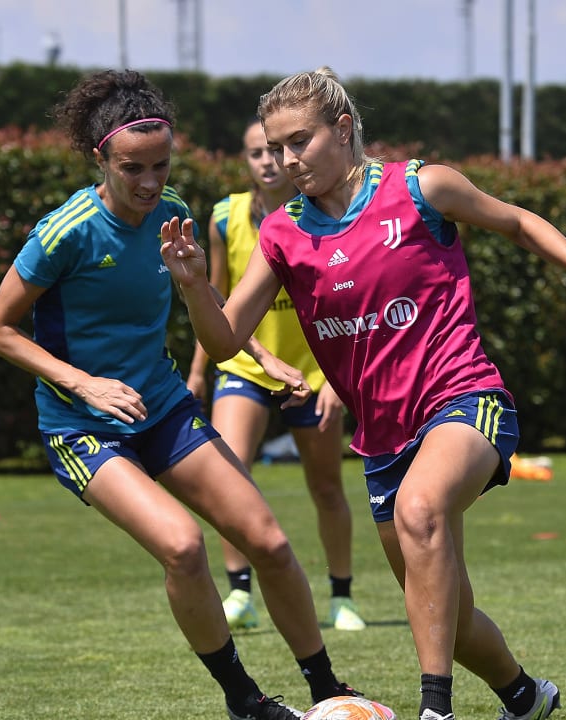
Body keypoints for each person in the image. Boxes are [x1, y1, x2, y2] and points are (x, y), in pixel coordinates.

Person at [161, 67, 566, 720]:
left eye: (300, 141)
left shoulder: (422, 187)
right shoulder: (284, 233)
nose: (286, 159)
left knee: (420, 511)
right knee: (442, 613)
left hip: (465, 400)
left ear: (343, 130)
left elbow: (516, 222)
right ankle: (524, 695)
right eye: (277, 147)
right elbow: (225, 342)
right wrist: (197, 287)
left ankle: (435, 711)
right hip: (382, 440)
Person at [0, 69, 361, 720]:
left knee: (267, 541)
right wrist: (83, 384)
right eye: (134, 169)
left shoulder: (176, 211)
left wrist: (264, 358)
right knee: (183, 547)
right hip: (83, 428)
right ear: (101, 158)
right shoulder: (66, 231)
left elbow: (206, 297)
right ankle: (245, 701)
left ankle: (327, 689)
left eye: (161, 165)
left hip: (160, 406)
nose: (151, 182)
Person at [188, 117, 366, 633]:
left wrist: (339, 377)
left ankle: (341, 596)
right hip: (246, 365)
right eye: (257, 152)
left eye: (276, 150)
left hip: (313, 373)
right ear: (245, 161)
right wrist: (199, 370)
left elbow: (351, 298)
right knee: (229, 470)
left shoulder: (322, 217)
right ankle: (240, 592)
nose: (269, 160)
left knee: (327, 487)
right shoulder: (226, 217)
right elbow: (212, 300)